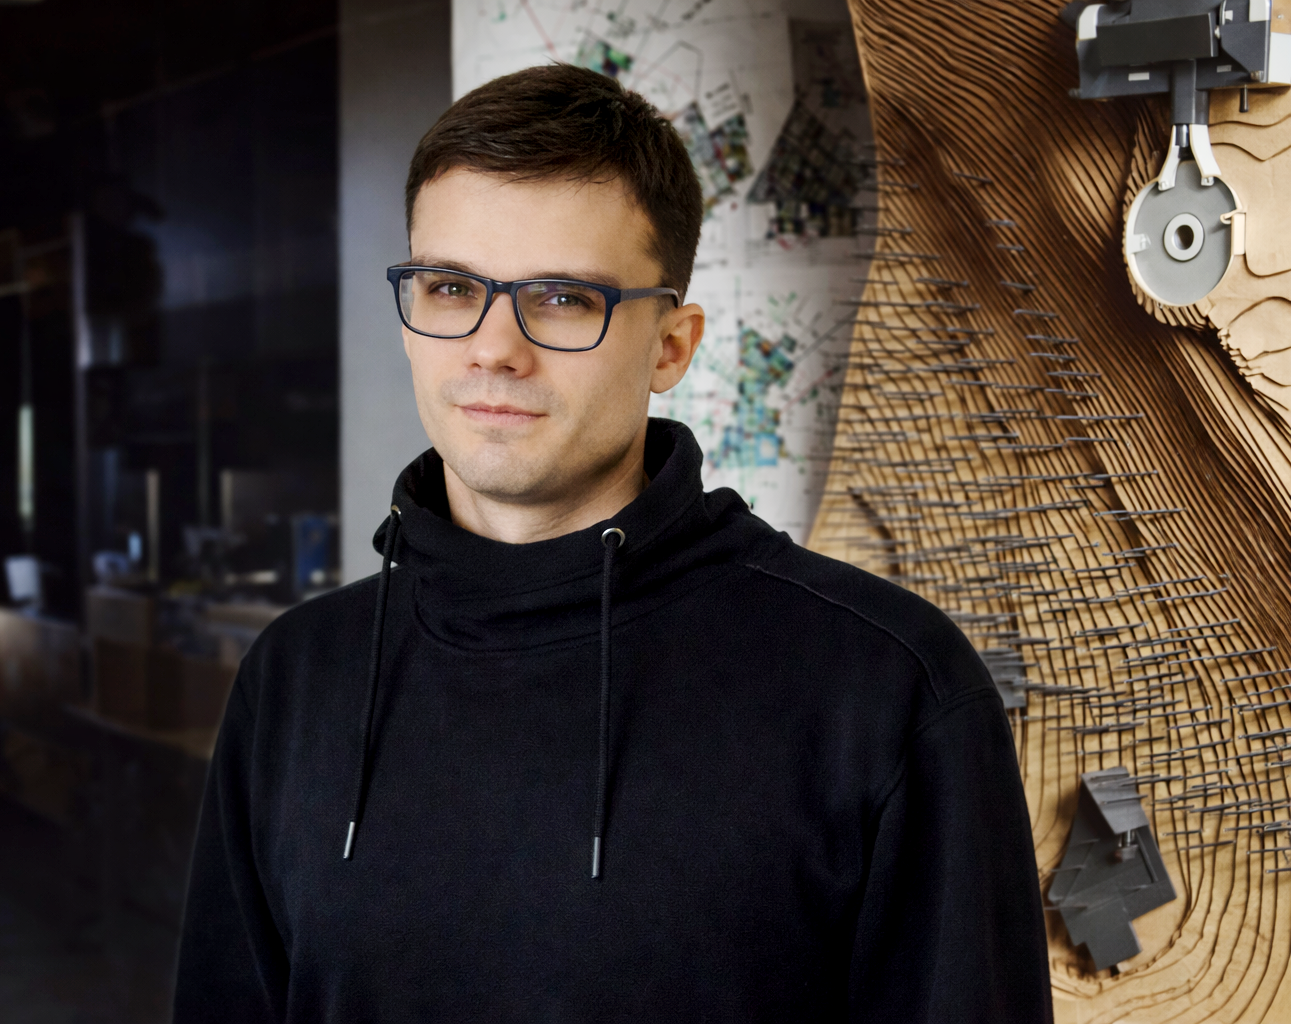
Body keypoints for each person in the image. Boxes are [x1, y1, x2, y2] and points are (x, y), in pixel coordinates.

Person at [173, 63, 1052, 1022]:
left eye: (560, 299)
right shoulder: (296, 679)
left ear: (671, 346)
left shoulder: (886, 691)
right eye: (450, 286)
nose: (493, 347)